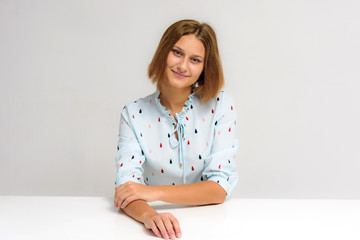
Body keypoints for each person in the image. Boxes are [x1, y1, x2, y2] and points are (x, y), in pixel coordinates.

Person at [114, 19, 239, 240]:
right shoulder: (133, 114)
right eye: (177, 52)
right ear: (163, 52)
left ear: (204, 67)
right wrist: (150, 216)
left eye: (195, 60)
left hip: (213, 224)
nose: (183, 66)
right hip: (156, 228)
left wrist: (154, 192)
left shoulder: (221, 106)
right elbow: (127, 188)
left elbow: (219, 188)